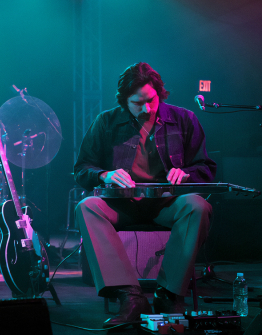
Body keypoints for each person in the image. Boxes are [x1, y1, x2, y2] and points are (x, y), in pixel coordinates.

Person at [74, 62, 216, 327]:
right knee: (87, 206)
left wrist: (186, 174)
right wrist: (104, 174)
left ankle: (169, 294)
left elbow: (206, 168)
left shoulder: (184, 119)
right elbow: (82, 169)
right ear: (124, 101)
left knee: (197, 206)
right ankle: (130, 296)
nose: (147, 109)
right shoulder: (105, 122)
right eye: (137, 103)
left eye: (151, 100)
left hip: (167, 203)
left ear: (159, 93)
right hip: (122, 204)